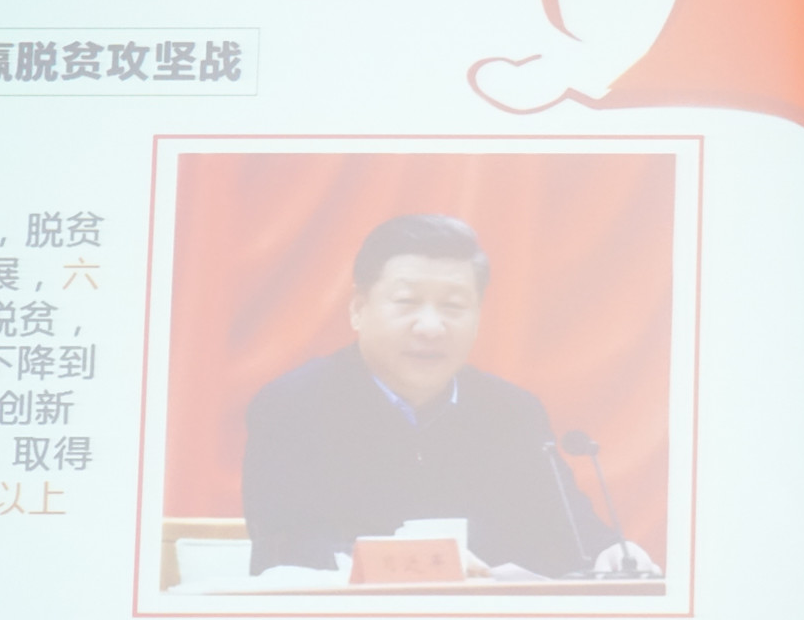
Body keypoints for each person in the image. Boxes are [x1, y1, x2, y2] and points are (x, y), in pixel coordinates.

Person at [241, 214, 658, 579]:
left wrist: (609, 552)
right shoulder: (294, 405)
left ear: (478, 315)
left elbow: (568, 529)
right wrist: (421, 563)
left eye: (453, 306)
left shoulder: (512, 412)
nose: (431, 327)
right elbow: (283, 548)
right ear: (358, 309)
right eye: (407, 302)